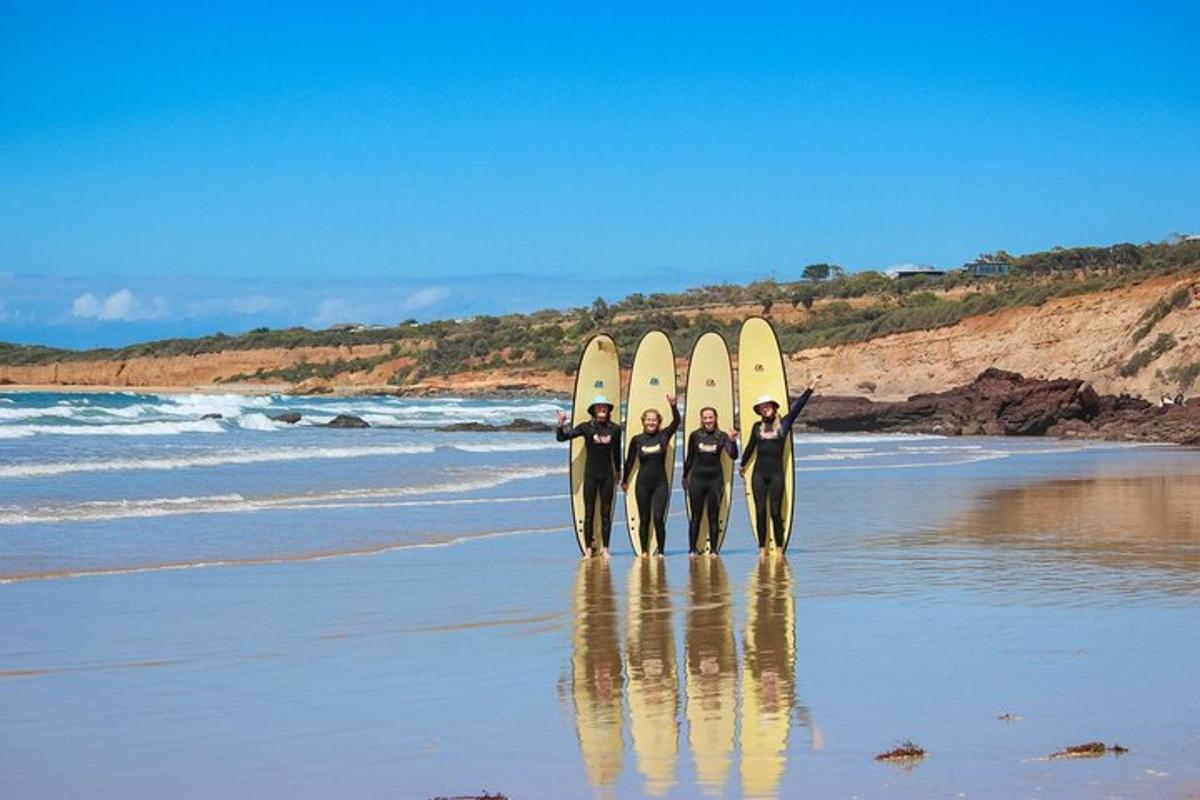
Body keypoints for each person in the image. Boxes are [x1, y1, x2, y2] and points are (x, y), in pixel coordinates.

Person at [740, 374, 820, 555]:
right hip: (759, 475)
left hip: (776, 475)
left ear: (774, 407)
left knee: (775, 511)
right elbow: (750, 447)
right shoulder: (756, 427)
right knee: (760, 511)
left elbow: (798, 407)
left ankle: (779, 548)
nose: (765, 409)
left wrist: (811, 386)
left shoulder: (784, 425)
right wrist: (742, 464)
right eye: (761, 408)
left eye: (767, 406)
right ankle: (761, 548)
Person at [557, 396, 622, 559]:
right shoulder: (586, 428)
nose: (602, 409)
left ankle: (605, 548)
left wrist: (618, 471)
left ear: (608, 410)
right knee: (589, 513)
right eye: (598, 407)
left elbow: (616, 452)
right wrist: (561, 424)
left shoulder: (615, 429)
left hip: (607, 474)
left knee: (606, 512)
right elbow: (562, 438)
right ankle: (588, 549)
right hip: (591, 474)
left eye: (604, 407)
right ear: (593, 410)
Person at [622, 395, 680, 557]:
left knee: (658, 518)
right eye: (648, 419)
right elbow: (630, 461)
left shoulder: (664, 436)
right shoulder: (637, 440)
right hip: (642, 484)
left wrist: (673, 406)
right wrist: (625, 480)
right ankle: (644, 551)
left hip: (660, 483)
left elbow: (676, 423)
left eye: (654, 420)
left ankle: (661, 551)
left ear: (658, 422)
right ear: (643, 421)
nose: (651, 422)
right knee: (644, 518)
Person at [682, 407, 738, 556]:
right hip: (697, 480)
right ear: (701, 419)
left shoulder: (722, 436)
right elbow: (690, 458)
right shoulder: (695, 436)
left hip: (715, 480)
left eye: (710, 417)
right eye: (705, 418)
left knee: (714, 516)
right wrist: (684, 476)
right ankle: (692, 550)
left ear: (715, 418)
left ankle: (714, 551)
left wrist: (733, 441)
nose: (708, 420)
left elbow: (733, 456)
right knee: (696, 516)